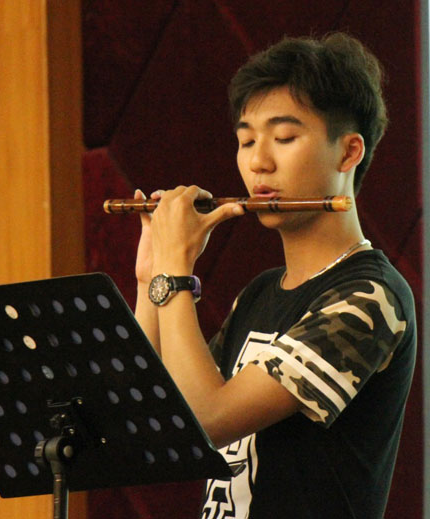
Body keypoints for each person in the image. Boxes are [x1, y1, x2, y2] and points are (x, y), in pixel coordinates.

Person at [133, 33, 416, 519]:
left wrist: (176, 274)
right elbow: (154, 415)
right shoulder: (261, 292)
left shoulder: (371, 297)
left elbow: (210, 419)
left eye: (284, 138)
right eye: (246, 141)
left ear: (349, 152)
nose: (258, 162)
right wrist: (151, 279)